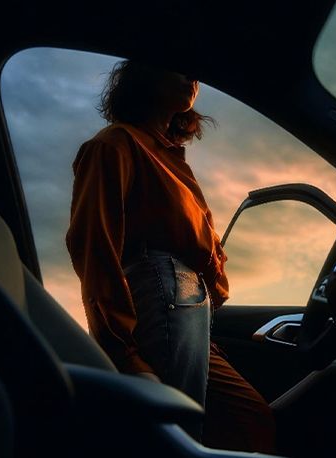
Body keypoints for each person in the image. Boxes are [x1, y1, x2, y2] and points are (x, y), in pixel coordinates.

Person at [66, 60, 276, 453]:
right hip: (162, 293)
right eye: (175, 62)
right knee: (172, 442)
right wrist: (123, 354)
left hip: (190, 309)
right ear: (144, 74)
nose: (192, 72)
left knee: (249, 420)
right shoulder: (115, 144)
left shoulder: (167, 154)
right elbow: (94, 249)